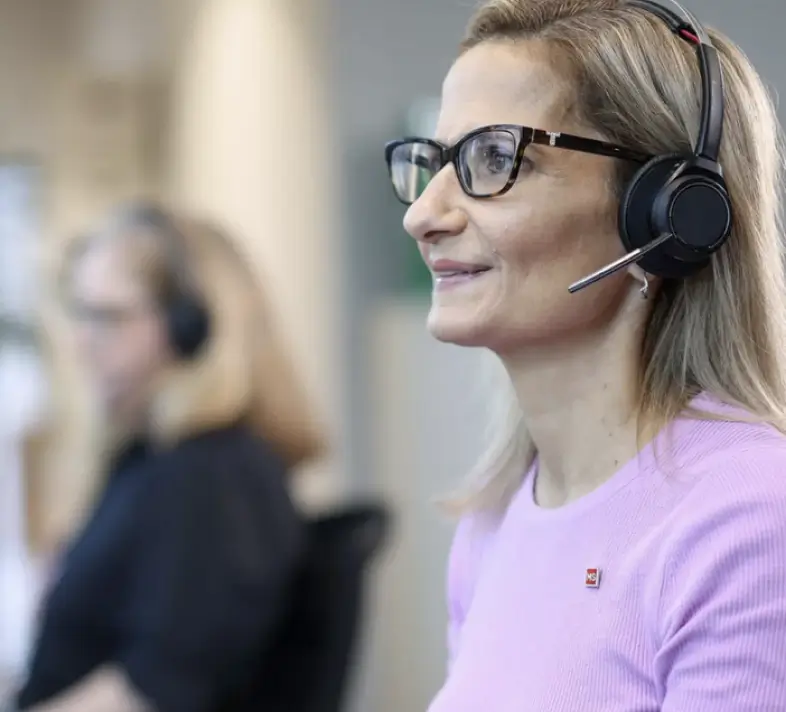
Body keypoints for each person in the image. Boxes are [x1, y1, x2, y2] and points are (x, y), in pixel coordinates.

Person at [384, 0, 786, 710]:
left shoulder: (748, 517)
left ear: (664, 213)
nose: (424, 215)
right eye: (434, 160)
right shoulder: (493, 522)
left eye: (495, 158)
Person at [10, 201, 324, 712]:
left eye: (106, 316)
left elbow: (156, 690)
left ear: (191, 329)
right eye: (79, 313)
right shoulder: (150, 462)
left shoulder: (215, 475)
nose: (80, 342)